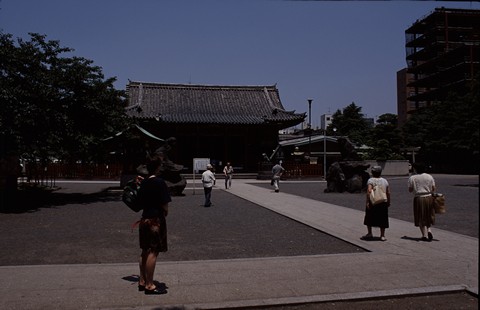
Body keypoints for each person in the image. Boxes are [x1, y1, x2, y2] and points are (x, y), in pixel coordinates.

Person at [136, 156, 171, 295]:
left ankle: (142, 280)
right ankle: (150, 285)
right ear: (157, 167)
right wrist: (165, 212)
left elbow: (138, 202)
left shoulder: (144, 183)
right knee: (153, 252)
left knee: (144, 250)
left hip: (144, 220)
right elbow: (165, 204)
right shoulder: (159, 182)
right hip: (155, 220)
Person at [408, 163, 436, 241]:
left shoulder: (412, 178)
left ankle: (424, 235)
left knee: (420, 215)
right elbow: (433, 188)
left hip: (418, 197)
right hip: (429, 197)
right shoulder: (429, 176)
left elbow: (410, 190)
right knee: (428, 214)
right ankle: (429, 229)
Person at [362, 166, 390, 241]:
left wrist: (367, 201)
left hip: (373, 201)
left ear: (372, 172)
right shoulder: (385, 181)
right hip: (383, 201)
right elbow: (388, 192)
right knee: (383, 218)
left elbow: (369, 191)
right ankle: (382, 235)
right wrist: (388, 201)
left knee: (369, 216)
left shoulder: (371, 180)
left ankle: (370, 233)